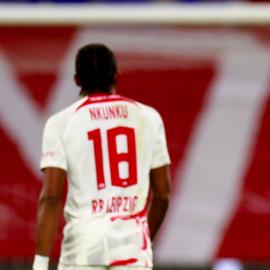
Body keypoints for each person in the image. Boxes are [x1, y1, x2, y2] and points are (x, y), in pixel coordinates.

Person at [33, 44, 171, 270]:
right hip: (131, 250)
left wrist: (40, 264)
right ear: (116, 75)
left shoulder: (61, 123)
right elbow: (163, 195)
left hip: (82, 249)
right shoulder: (148, 117)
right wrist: (140, 240)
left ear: (77, 79)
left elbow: (51, 197)